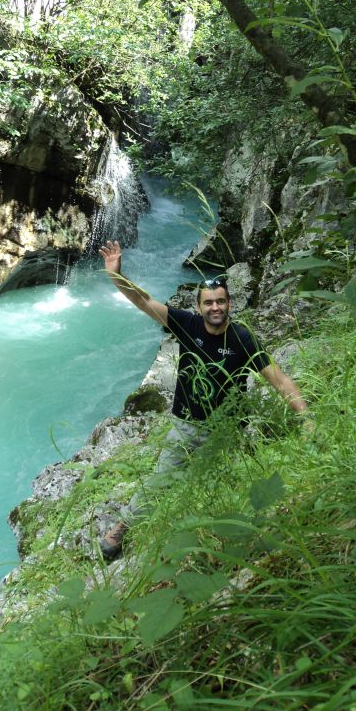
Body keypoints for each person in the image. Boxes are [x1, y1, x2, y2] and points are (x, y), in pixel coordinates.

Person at [97, 239, 308, 559]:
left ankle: (223, 540)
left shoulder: (243, 338)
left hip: (227, 431)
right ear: (199, 307)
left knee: (226, 486)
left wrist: (304, 415)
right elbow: (143, 301)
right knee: (160, 480)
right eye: (208, 303)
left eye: (220, 302)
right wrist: (116, 275)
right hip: (187, 425)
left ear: (229, 305)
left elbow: (278, 378)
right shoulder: (187, 324)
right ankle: (123, 527)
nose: (215, 308)